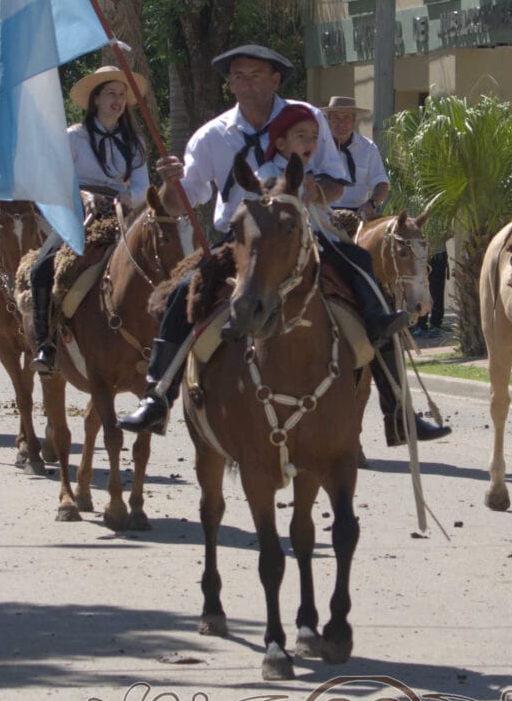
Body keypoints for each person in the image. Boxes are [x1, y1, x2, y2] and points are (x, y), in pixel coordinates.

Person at [119, 44, 443, 445]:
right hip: (242, 239)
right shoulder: (212, 135)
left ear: (275, 79)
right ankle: (158, 396)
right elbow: (180, 202)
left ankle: (398, 409)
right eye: (237, 77)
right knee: (184, 293)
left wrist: (316, 189)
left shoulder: (306, 119)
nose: (245, 84)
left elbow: (336, 182)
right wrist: (170, 182)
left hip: (305, 234)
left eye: (255, 76)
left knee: (362, 269)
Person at [30, 67, 150, 377]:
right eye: (111, 94)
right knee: (42, 268)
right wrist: (82, 195)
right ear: (96, 99)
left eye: (122, 95)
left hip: (120, 212)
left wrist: (129, 197)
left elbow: (143, 185)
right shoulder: (73, 137)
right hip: (78, 212)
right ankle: (46, 344)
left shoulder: (134, 142)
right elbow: (55, 179)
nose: (118, 100)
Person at [315, 96, 391, 220]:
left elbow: (381, 183)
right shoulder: (316, 147)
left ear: (354, 121)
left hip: (358, 215)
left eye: (346, 117)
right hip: (321, 215)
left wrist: (371, 204)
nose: (341, 123)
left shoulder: (368, 148)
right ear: (329, 120)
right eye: (336, 118)